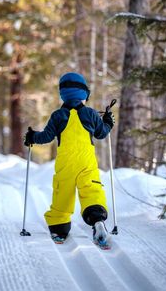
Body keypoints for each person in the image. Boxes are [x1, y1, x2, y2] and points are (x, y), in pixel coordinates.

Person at [23, 72, 114, 247]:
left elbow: (46, 137)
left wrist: (32, 136)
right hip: (87, 162)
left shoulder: (58, 115)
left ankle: (59, 228)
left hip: (66, 164)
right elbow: (102, 133)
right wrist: (108, 122)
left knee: (62, 193)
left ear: (63, 95)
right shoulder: (90, 113)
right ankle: (97, 220)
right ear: (84, 95)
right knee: (91, 190)